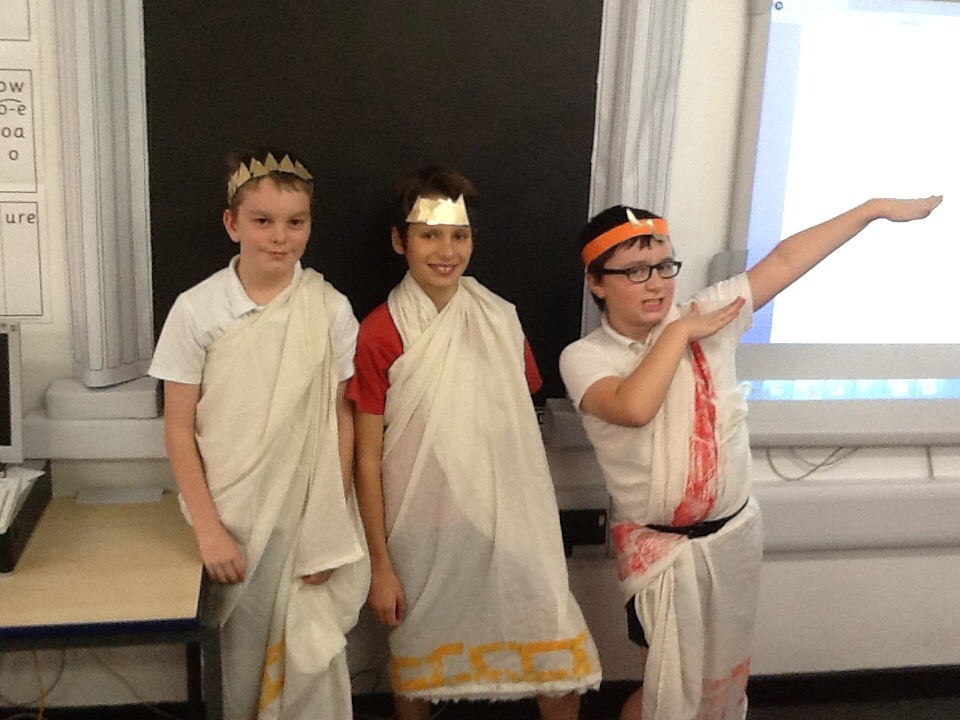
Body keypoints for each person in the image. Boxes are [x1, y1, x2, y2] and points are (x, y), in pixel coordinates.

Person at [559, 196, 942, 720]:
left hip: (732, 539)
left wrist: (868, 211)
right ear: (597, 282)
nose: (656, 284)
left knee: (720, 688)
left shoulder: (707, 318)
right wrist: (678, 332)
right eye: (635, 271)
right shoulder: (586, 356)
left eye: (665, 266)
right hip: (662, 553)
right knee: (665, 692)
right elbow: (633, 408)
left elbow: (784, 260)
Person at [349, 166, 602, 720]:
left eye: (459, 235)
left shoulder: (498, 319)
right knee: (418, 659)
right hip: (419, 526)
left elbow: (518, 424)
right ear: (400, 241)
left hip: (503, 517)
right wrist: (380, 566)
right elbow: (366, 459)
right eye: (429, 234)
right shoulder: (379, 332)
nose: (446, 251)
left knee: (554, 644)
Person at [149, 149, 369, 720]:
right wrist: (209, 531)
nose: (280, 237)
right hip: (231, 517)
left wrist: (329, 525)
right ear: (233, 224)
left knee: (305, 654)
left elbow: (340, 418)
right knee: (237, 660)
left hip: (302, 515)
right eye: (262, 221)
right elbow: (178, 430)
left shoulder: (329, 308)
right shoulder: (197, 310)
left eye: (296, 222)